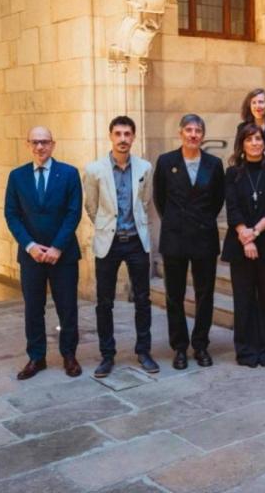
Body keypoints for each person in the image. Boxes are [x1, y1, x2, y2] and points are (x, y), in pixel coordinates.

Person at [4, 126, 83, 380]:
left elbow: (74, 213)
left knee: (67, 308)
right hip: (31, 256)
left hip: (64, 255)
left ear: (53, 144)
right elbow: (11, 214)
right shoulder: (17, 177)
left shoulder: (69, 174)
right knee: (33, 309)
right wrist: (30, 246)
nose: (40, 147)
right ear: (28, 145)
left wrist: (58, 246)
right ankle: (36, 357)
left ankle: (69, 355)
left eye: (45, 142)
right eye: (35, 142)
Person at [83, 116, 158, 378]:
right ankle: (107, 355)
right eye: (118, 134)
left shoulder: (145, 168)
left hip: (137, 241)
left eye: (127, 134)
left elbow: (145, 201)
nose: (123, 139)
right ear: (111, 136)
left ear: (134, 137)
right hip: (109, 243)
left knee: (142, 300)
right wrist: (106, 227)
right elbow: (91, 207)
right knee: (104, 302)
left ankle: (144, 351)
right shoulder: (94, 170)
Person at [153, 114, 225, 370]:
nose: (193, 134)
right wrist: (176, 221)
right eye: (189, 130)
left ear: (203, 135)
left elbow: (217, 200)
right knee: (175, 295)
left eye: (198, 130)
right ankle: (180, 347)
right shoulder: (166, 162)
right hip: (175, 238)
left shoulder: (214, 164)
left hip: (204, 237)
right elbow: (160, 199)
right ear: (181, 133)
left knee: (205, 295)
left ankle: (201, 345)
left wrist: (201, 220)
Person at [222, 124, 265, 368]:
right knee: (244, 299)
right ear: (242, 144)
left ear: (264, 143)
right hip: (239, 244)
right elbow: (232, 207)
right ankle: (247, 349)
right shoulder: (232, 173)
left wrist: (255, 232)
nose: (255, 143)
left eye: (258, 138)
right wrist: (244, 235)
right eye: (249, 139)